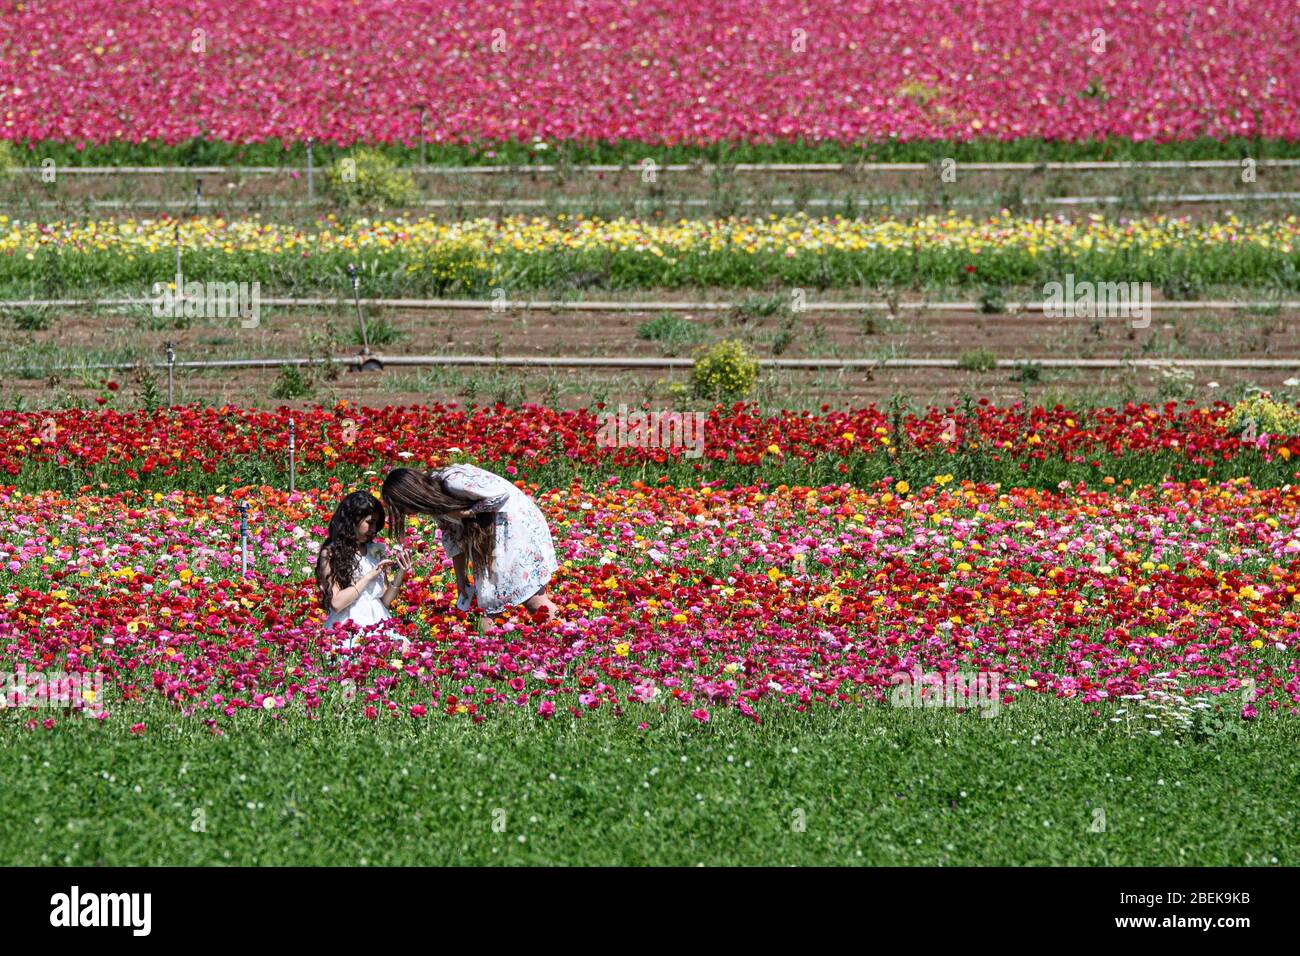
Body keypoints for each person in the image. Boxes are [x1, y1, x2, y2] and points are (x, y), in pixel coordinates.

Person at [382, 465, 558, 618]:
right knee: (490, 606)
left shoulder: (451, 482)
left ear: (410, 495)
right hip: (491, 537)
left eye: (402, 506)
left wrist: (468, 512)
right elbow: (452, 538)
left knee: (534, 601)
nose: (405, 513)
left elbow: (500, 494)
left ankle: (567, 634)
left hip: (514, 528)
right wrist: (461, 581)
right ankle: (491, 650)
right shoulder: (434, 502)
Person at [314, 491, 412, 646]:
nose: (373, 529)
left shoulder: (376, 550)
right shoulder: (331, 553)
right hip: (349, 626)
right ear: (353, 520)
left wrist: (401, 572)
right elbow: (337, 603)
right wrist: (368, 576)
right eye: (369, 522)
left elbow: (384, 601)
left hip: (379, 621)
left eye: (376, 524)